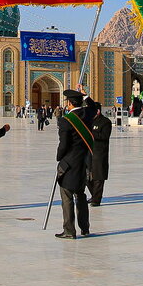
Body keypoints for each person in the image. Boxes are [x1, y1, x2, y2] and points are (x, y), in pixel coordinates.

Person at [55, 89, 93, 239]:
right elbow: (94, 107)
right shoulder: (88, 114)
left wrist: (59, 157)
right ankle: (85, 228)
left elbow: (63, 144)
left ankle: (69, 230)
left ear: (69, 103)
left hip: (69, 163)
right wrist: (86, 95)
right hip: (84, 162)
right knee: (81, 195)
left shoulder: (66, 120)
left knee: (67, 196)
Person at [86, 99, 111, 207]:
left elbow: (104, 136)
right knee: (87, 177)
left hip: (99, 154)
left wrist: (91, 134)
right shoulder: (89, 121)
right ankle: (94, 195)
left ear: (97, 112)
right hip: (88, 154)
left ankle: (96, 200)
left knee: (98, 177)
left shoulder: (105, 122)